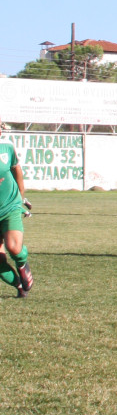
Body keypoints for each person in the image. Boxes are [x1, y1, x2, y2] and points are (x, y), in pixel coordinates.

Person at [0, 123, 35, 298]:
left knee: (14, 248)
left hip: (10, 206)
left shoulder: (6, 147)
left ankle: (22, 263)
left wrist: (21, 197)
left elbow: (16, 169)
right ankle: (19, 286)